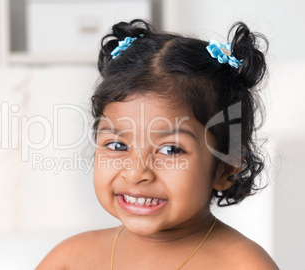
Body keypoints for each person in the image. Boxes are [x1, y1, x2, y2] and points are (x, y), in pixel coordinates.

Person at [36, 19, 279, 269]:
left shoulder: (244, 265)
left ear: (226, 167)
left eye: (171, 150)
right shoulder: (68, 259)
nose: (136, 173)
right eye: (117, 145)